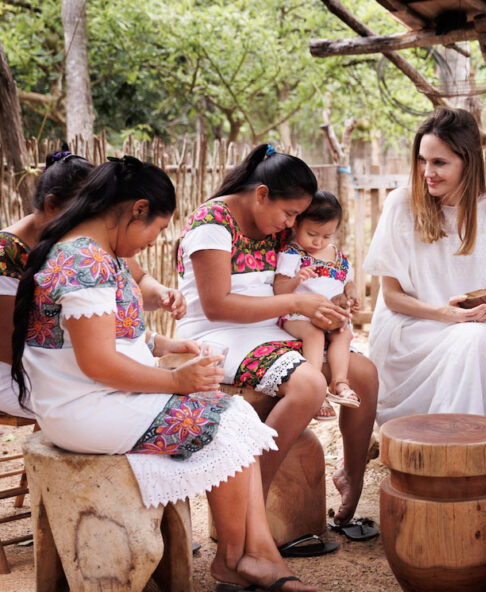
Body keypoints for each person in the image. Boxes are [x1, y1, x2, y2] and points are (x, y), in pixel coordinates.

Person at [10, 156, 314, 591]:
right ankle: (238, 560)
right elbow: (98, 363)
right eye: (157, 228)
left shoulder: (91, 251)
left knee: (235, 417)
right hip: (86, 409)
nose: (155, 241)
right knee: (225, 423)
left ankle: (251, 555)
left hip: (88, 398)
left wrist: (162, 346)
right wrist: (175, 381)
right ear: (137, 210)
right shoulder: (85, 262)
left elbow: (97, 336)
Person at [175, 144, 377, 526]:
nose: (290, 224)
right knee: (309, 385)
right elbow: (217, 305)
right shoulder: (213, 224)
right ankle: (252, 504)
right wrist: (298, 307)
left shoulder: (272, 224)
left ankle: (352, 474)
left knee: (363, 373)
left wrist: (331, 303)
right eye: (289, 213)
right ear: (262, 194)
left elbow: (310, 273)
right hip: (219, 332)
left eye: (297, 216)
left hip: (271, 328)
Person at [364, 106, 486, 422]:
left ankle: (472, 445)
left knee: (481, 338)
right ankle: (460, 446)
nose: (427, 172)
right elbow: (391, 298)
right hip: (412, 329)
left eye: (439, 162)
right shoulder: (402, 204)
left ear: (468, 162)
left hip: (471, 330)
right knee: (474, 340)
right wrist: (445, 314)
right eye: (422, 160)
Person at [0, 147, 185, 419]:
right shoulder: (9, 252)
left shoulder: (94, 243)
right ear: (52, 206)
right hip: (24, 372)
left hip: (75, 366)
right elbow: (17, 346)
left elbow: (130, 285)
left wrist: (155, 328)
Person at [273, 190, 360, 408]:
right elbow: (279, 290)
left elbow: (348, 281)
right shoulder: (293, 253)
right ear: (296, 225)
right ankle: (316, 389)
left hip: (331, 316)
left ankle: (340, 383)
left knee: (343, 335)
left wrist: (351, 293)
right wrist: (296, 280)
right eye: (312, 234)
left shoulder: (337, 257)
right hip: (298, 316)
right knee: (314, 334)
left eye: (326, 236)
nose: (318, 242)